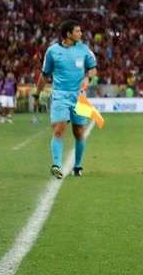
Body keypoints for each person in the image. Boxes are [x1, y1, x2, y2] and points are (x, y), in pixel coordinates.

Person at [40, 20, 98, 179]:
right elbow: (45, 74)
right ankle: (56, 165)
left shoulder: (84, 49)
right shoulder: (52, 51)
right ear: (68, 34)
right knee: (59, 129)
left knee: (79, 132)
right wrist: (37, 91)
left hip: (79, 97)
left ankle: (77, 166)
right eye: (77, 31)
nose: (81, 34)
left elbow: (93, 68)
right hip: (60, 95)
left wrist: (88, 78)